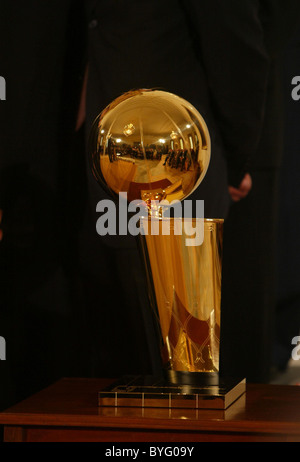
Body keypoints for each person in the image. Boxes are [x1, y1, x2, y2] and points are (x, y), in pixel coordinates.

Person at [78, 0, 300, 381]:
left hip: (179, 175)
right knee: (125, 375)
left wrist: (233, 155)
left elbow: (237, 47)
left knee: (188, 384)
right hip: (104, 173)